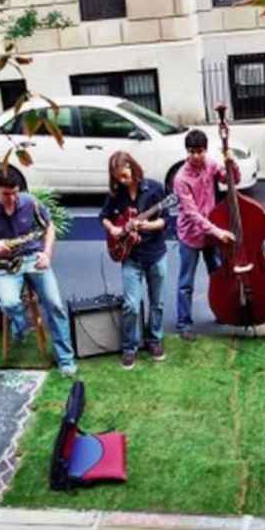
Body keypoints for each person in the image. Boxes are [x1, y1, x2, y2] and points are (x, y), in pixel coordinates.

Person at [0, 168, 77, 377]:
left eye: (15, 192)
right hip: (6, 265)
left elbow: (49, 228)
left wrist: (46, 254)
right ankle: (21, 325)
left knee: (55, 305)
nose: (12, 198)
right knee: (8, 303)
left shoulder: (30, 202)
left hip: (34, 259)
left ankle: (66, 360)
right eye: (6, 194)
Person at [99, 152, 169, 370]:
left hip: (155, 253)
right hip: (130, 256)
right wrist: (115, 229)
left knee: (157, 302)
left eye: (124, 175)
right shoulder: (116, 194)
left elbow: (165, 220)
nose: (122, 180)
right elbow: (103, 216)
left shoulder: (156, 189)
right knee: (131, 305)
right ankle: (130, 346)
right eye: (117, 177)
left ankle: (154, 340)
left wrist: (148, 225)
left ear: (133, 167)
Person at [173, 129, 237, 342]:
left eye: (199, 151)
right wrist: (218, 231)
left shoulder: (210, 164)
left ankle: (221, 312)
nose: (196, 156)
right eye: (192, 152)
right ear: (187, 152)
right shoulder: (181, 178)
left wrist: (231, 163)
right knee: (186, 284)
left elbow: (232, 181)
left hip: (211, 235)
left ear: (205, 150)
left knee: (218, 276)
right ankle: (184, 324)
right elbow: (192, 214)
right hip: (191, 236)